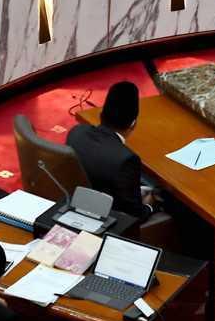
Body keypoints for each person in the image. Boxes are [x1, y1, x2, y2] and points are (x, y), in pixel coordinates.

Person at [66, 81, 153, 220]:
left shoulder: (76, 132)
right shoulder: (126, 159)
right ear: (133, 123)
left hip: (73, 202)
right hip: (106, 219)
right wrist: (149, 206)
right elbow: (133, 213)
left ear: (101, 114)